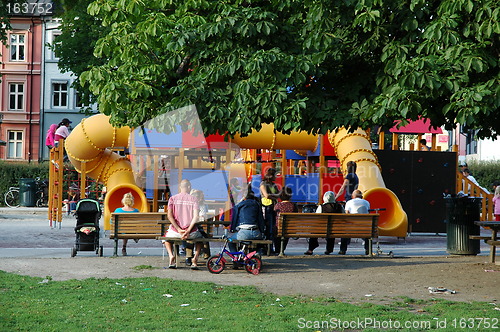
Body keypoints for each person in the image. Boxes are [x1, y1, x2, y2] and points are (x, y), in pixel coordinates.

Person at [163, 179, 202, 269]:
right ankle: (195, 259)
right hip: (191, 232)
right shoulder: (194, 199)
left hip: (175, 231)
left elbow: (170, 216)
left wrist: (178, 229)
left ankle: (170, 256)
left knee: (166, 239)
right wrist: (188, 230)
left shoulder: (172, 198)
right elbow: (196, 217)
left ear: (180, 187)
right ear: (189, 187)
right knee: (200, 239)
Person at [304, 191, 345, 255]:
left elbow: (317, 219)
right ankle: (329, 249)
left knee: (314, 230)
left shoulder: (321, 207)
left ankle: (310, 249)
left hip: (322, 228)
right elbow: (344, 217)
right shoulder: (339, 206)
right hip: (336, 229)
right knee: (331, 230)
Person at [229, 187, 266, 255]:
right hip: (256, 233)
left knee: (230, 241)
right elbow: (261, 220)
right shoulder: (257, 204)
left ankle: (235, 257)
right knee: (257, 242)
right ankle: (256, 253)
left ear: (244, 197)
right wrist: (262, 232)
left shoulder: (239, 205)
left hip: (243, 233)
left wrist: (232, 229)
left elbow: (234, 219)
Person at [335, 161, 359, 254]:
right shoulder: (356, 176)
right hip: (353, 200)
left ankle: (343, 247)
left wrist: (335, 198)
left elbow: (343, 188)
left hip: (349, 200)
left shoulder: (349, 176)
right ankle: (347, 240)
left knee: (345, 223)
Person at [344, 189, 372, 255]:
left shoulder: (349, 202)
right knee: (367, 234)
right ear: (361, 196)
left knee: (345, 230)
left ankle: (343, 249)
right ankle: (368, 249)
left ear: (353, 196)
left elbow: (346, 215)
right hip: (364, 227)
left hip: (351, 227)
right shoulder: (366, 202)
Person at [259, 167, 280, 251]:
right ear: (271, 175)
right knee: (268, 227)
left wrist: (273, 196)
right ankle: (267, 248)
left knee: (271, 228)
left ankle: (270, 248)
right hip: (266, 207)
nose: (276, 177)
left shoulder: (273, 184)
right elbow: (266, 195)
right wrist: (274, 196)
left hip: (273, 207)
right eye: (275, 175)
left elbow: (278, 194)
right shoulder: (263, 184)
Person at [273, 186, 298, 254]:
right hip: (289, 229)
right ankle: (282, 249)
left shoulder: (277, 205)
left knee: (276, 227)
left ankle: (278, 250)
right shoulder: (293, 206)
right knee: (286, 229)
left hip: (278, 229)